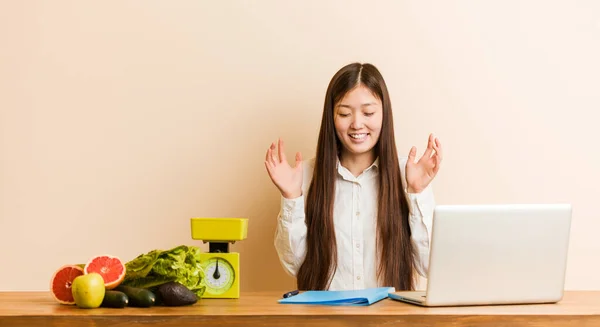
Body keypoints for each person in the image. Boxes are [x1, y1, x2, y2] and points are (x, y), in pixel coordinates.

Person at [264, 62, 443, 292]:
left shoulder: (406, 175)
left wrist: (417, 192)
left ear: (384, 114)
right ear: (331, 116)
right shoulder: (306, 175)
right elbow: (294, 265)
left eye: (368, 113)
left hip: (390, 320)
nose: (357, 124)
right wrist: (291, 197)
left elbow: (429, 265)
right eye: (345, 113)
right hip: (326, 320)